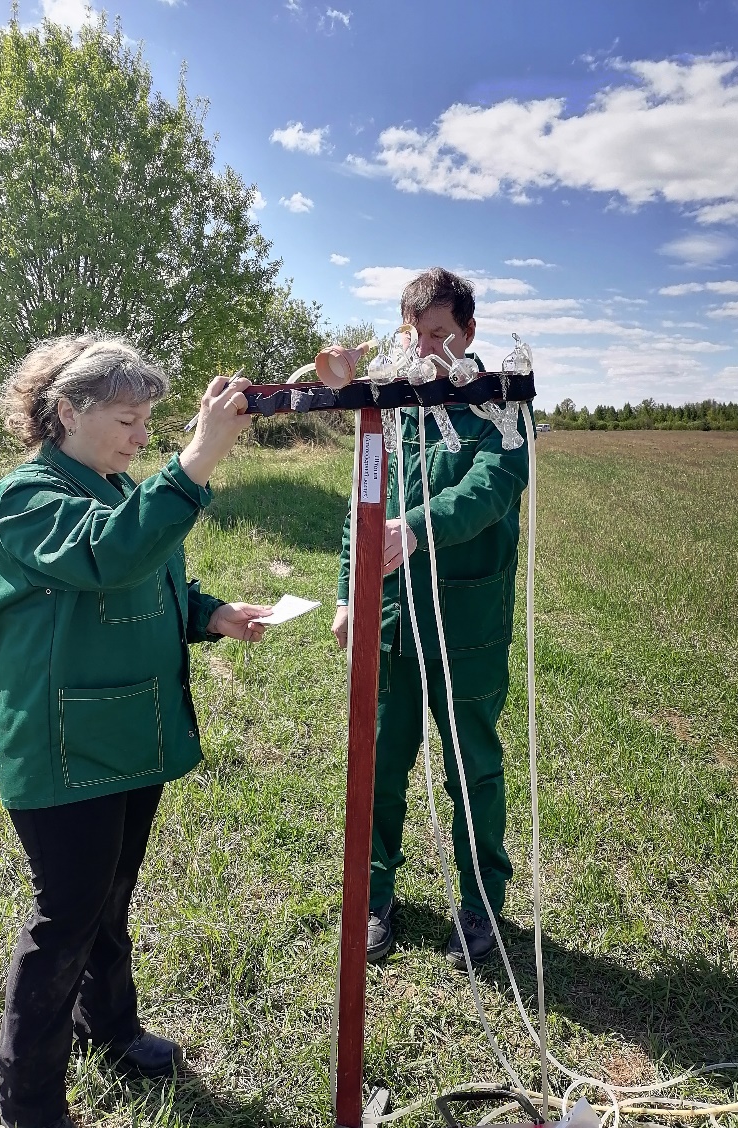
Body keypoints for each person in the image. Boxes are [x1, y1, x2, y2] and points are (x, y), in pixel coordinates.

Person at [0, 335, 272, 1128]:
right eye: (128, 418)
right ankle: (29, 1105)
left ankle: (108, 1028)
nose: (143, 435)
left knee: (111, 897)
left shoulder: (113, 483)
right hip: (63, 745)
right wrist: (197, 458)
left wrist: (210, 612)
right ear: (66, 411)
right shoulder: (26, 497)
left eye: (149, 420)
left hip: (124, 733)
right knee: (65, 914)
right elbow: (107, 558)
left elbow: (155, 565)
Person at [331, 268, 531, 970]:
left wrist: (416, 527)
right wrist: (345, 593)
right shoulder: (397, 403)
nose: (424, 348)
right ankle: (375, 896)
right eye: (414, 334)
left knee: (470, 764)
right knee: (380, 759)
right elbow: (364, 493)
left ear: (469, 333)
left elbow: (491, 487)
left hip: (465, 621)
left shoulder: (500, 405)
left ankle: (481, 905)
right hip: (392, 618)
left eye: (439, 335)